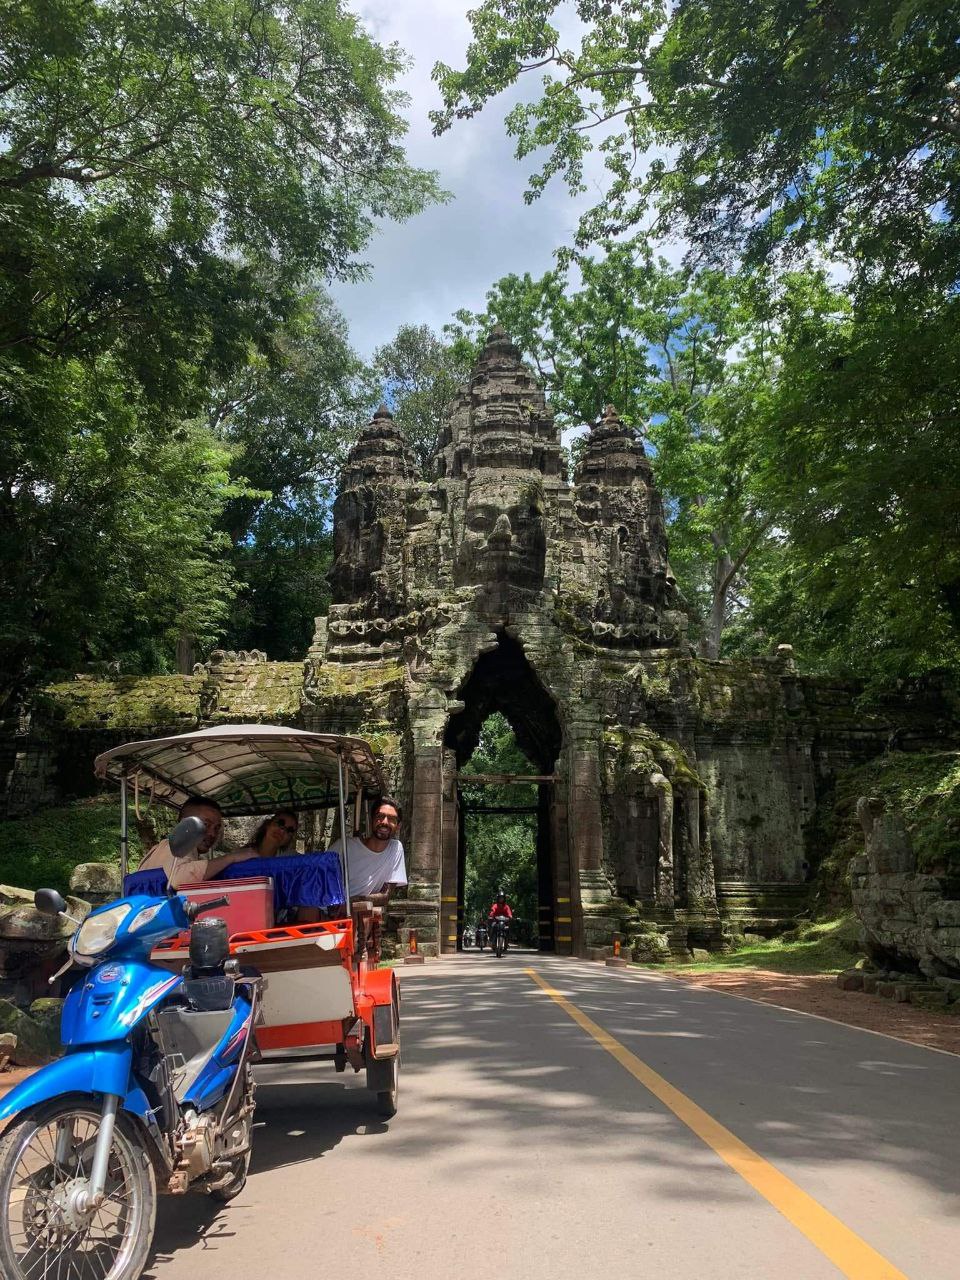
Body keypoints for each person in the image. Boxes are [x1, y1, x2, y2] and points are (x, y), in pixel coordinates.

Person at [137, 797, 237, 889]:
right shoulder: (172, 847)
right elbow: (179, 879)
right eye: (206, 824)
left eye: (216, 828)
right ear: (184, 823)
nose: (212, 834)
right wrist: (232, 858)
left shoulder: (185, 853)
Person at [329, 795, 407, 907]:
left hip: (353, 911)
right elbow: (318, 878)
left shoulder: (395, 849)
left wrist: (352, 902)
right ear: (371, 820)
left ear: (398, 826)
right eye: (380, 816)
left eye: (391, 819)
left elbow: (385, 896)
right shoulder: (344, 846)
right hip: (327, 907)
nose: (384, 822)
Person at [229, 810, 298, 862]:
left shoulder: (290, 859)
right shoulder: (240, 855)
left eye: (290, 830)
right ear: (268, 825)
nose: (282, 831)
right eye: (280, 823)